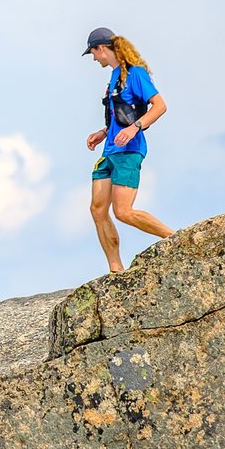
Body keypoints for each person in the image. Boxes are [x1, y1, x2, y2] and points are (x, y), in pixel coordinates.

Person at [83, 27, 175, 272]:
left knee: (122, 211)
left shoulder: (136, 73)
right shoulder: (114, 76)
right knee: (97, 209)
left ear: (102, 48)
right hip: (110, 150)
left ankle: (175, 238)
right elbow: (120, 112)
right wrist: (103, 131)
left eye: (93, 52)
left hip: (129, 150)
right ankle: (116, 269)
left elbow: (160, 106)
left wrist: (135, 128)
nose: (93, 58)